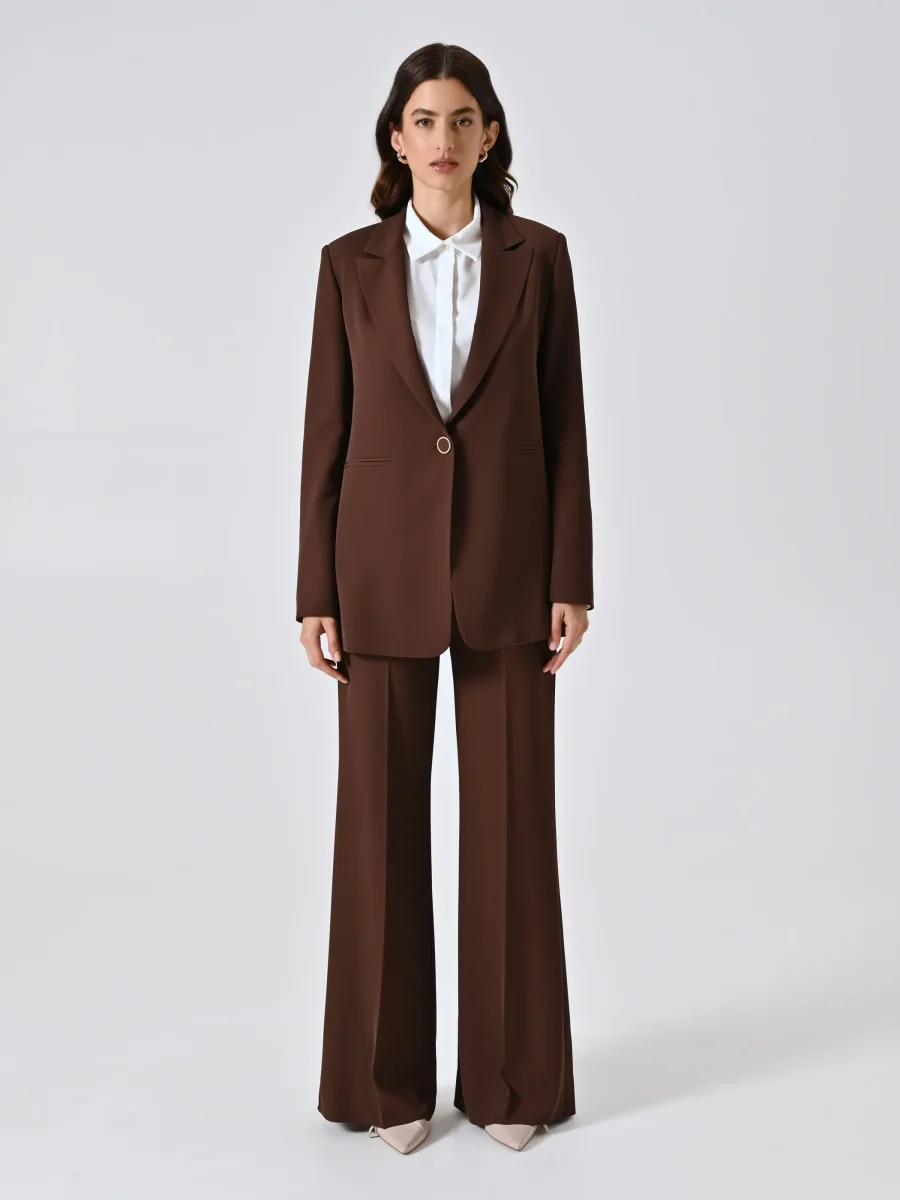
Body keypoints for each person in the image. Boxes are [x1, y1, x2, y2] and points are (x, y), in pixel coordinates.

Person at [295, 42, 594, 1155]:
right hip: (375, 575)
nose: (443, 138)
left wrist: (571, 577)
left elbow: (564, 426)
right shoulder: (348, 265)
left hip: (512, 569)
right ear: (397, 138)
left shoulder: (539, 258)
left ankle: (512, 1081)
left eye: (463, 119)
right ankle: (387, 1084)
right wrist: (314, 588)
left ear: (489, 135)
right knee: (376, 832)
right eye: (424, 120)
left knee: (513, 822)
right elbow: (325, 435)